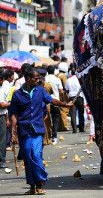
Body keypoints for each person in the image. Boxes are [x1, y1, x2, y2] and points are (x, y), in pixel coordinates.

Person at [10, 67, 72, 195]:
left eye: (39, 78)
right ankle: (32, 186)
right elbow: (14, 114)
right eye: (35, 78)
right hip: (24, 130)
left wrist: (65, 104)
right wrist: (13, 132)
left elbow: (52, 100)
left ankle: (40, 181)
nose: (38, 80)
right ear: (27, 79)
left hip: (38, 129)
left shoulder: (41, 91)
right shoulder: (17, 94)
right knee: (27, 156)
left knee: (36, 154)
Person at [45, 65, 64, 144]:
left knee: (47, 120)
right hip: (56, 101)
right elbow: (61, 91)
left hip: (46, 102)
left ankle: (48, 137)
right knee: (55, 120)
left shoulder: (45, 79)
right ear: (54, 71)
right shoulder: (57, 79)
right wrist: (62, 99)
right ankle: (54, 137)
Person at [65, 63, 84, 133]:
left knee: (72, 114)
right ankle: (81, 128)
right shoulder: (80, 79)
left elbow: (66, 90)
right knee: (81, 113)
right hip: (80, 97)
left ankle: (74, 129)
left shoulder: (68, 80)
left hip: (72, 97)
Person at [0, 72, 10, 168]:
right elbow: (2, 105)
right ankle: (1, 159)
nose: (2, 81)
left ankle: (2, 159)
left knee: (2, 139)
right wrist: (11, 103)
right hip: (1, 117)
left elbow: (4, 109)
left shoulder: (2, 89)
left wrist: (7, 119)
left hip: (2, 116)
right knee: (2, 139)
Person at [57, 62, 69, 131]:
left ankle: (60, 126)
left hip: (57, 94)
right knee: (64, 111)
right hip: (62, 95)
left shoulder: (57, 75)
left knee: (60, 111)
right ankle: (64, 126)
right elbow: (65, 86)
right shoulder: (63, 76)